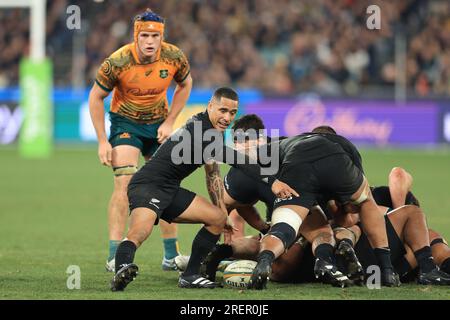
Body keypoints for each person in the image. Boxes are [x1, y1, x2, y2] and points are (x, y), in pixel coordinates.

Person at [109, 87, 297, 291]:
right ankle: (122, 269)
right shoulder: (202, 131)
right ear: (210, 106)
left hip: (170, 188)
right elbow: (238, 161)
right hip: (148, 185)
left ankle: (190, 275)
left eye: (232, 113)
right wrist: (272, 181)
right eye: (222, 110)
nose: (227, 117)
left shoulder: (211, 131)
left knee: (216, 218)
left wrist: (222, 210)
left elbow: (213, 174)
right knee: (140, 231)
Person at [88, 9, 192, 272]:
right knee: (124, 182)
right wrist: (102, 140)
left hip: (159, 124)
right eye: (144, 35)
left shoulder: (174, 57)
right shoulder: (118, 61)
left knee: (165, 185)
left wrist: (170, 122)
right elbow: (95, 97)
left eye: (154, 36)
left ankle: (171, 255)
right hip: (126, 124)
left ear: (161, 38)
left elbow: (186, 84)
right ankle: (114, 256)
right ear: (136, 37)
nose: (149, 41)